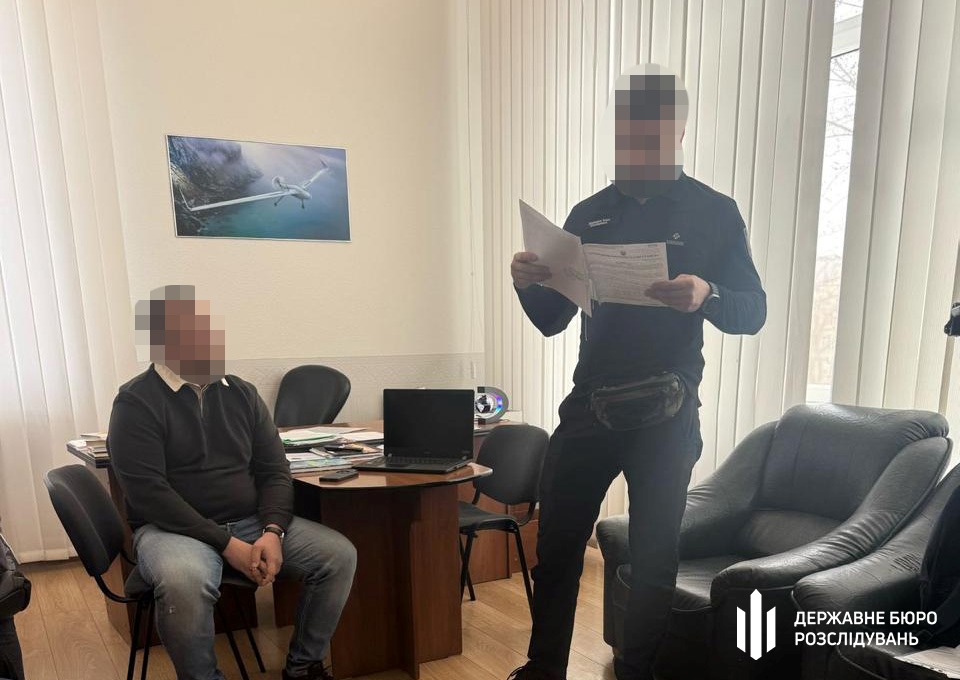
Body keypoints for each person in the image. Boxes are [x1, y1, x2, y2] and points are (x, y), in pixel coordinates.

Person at [507, 65, 767, 680]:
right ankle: (543, 669)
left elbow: (753, 311)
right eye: (628, 136)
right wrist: (526, 282)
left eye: (651, 136)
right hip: (589, 406)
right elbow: (551, 320)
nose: (637, 148)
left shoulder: (714, 211)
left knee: (654, 560)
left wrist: (707, 294)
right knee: (557, 546)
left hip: (667, 413)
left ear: (679, 132)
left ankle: (637, 672)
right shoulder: (589, 213)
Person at [108, 285, 357, 680]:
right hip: (171, 530)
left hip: (251, 522)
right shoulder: (135, 402)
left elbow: (274, 471)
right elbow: (148, 495)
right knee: (184, 581)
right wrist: (226, 544)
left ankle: (303, 667)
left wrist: (273, 531)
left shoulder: (242, 393)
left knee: (338, 556)